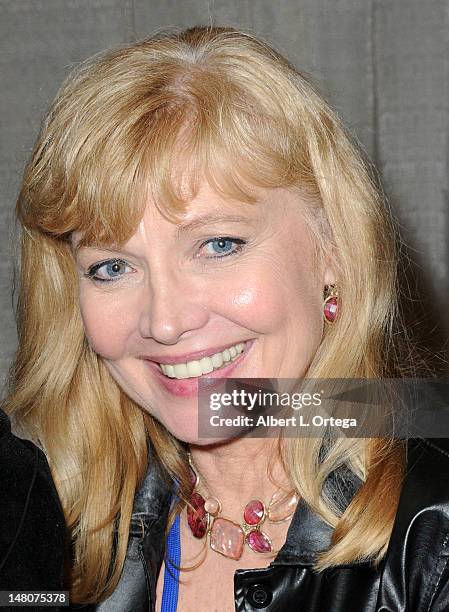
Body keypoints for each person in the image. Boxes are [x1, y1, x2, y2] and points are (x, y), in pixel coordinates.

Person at [3, 25, 449, 611]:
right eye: (112, 267)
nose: (165, 321)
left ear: (334, 248)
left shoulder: (433, 538)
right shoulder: (51, 522)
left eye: (218, 245)